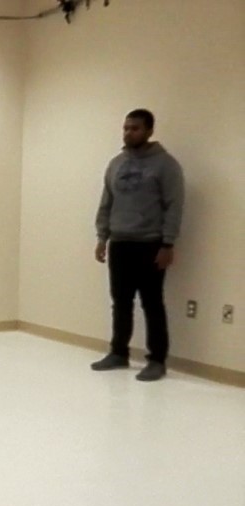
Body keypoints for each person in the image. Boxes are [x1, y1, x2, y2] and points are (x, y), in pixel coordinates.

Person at [92, 109, 185, 382]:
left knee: (152, 303)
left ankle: (157, 360)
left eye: (134, 128)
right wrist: (102, 237)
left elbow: (174, 206)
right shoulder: (116, 164)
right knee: (120, 302)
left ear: (149, 131)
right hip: (120, 242)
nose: (128, 133)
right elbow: (106, 202)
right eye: (125, 128)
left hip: (151, 244)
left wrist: (167, 243)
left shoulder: (166, 165)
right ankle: (118, 352)